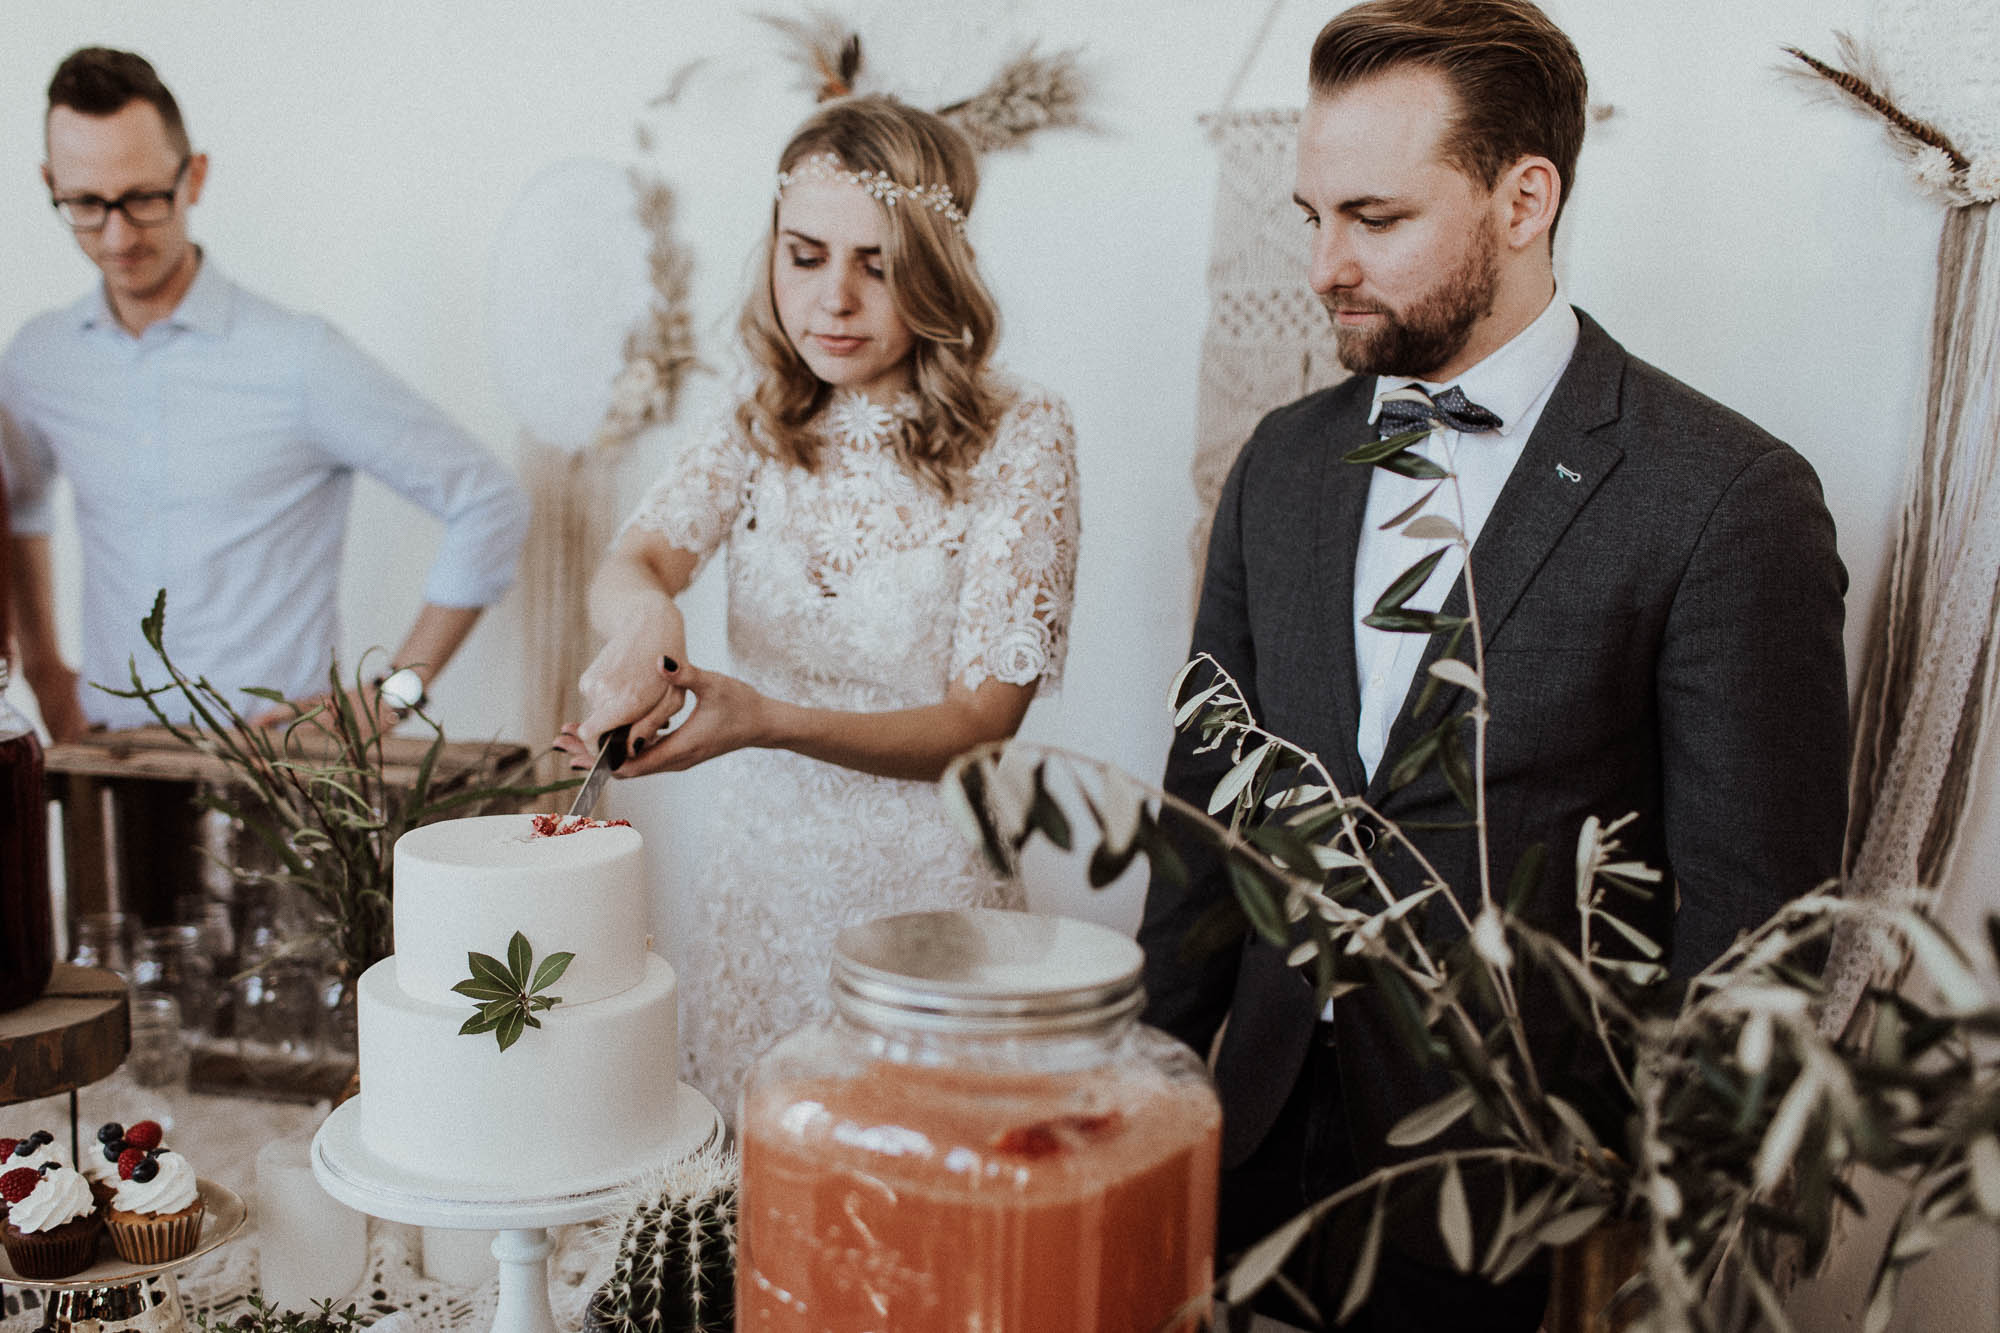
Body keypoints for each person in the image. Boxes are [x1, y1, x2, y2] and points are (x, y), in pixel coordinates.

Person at [1136, 2, 1849, 1329]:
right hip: (1251, 1155)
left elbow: (1753, 934)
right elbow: (1206, 813)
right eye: (1312, 217)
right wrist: (1144, 1092)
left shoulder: (1727, 497)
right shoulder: (1280, 466)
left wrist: (1650, 1226)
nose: (1325, 266)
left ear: (1525, 198)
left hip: (1529, 1206)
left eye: (1377, 218)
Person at [563, 94, 1080, 1117]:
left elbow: (981, 724)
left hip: (927, 894)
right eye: (804, 255)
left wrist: (768, 718)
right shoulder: (756, 418)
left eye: (878, 263)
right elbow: (634, 558)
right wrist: (647, 622)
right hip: (761, 885)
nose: (833, 299)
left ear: (937, 265)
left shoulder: (1022, 434)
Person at [1, 48, 529, 742]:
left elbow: (488, 499)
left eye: (143, 199)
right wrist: (44, 670)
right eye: (86, 205)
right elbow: (21, 501)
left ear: (194, 177)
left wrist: (390, 697)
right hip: (114, 758)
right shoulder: (39, 360)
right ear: (50, 184)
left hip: (282, 769)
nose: (118, 234)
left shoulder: (298, 358)